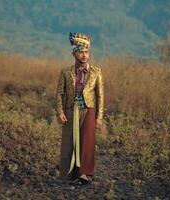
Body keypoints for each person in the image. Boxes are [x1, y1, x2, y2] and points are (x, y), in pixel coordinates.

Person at [56, 32, 104, 184]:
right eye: (81, 52)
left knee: (87, 141)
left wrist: (99, 117)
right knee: (69, 141)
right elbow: (59, 93)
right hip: (71, 110)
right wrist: (60, 111)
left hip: (89, 110)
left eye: (86, 52)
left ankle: (85, 174)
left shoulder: (97, 72)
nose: (84, 55)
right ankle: (68, 174)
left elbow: (100, 96)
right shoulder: (65, 72)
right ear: (74, 53)